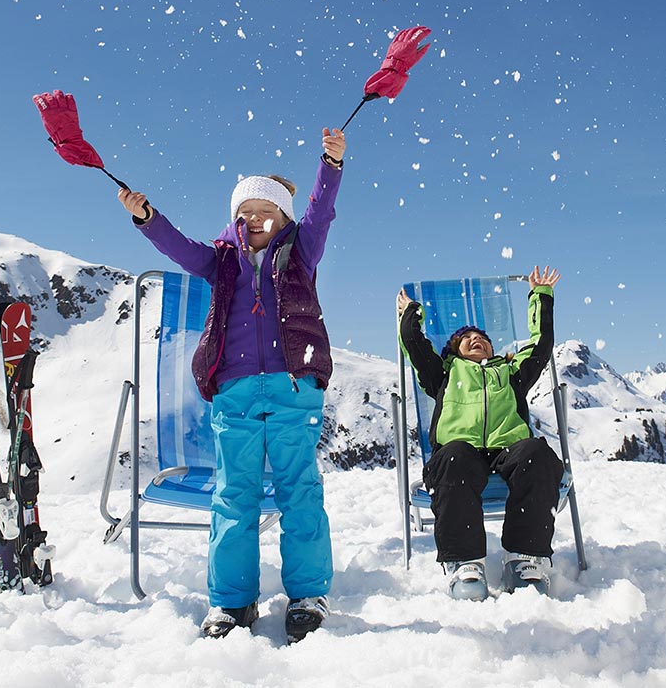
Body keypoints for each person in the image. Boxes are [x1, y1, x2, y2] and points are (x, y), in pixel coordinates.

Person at [116, 127, 346, 641]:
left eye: (264, 212)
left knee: (298, 491)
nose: (253, 220)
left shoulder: (302, 251)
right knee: (233, 495)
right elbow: (178, 248)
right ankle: (232, 601)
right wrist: (146, 218)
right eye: (244, 213)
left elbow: (321, 213)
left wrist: (329, 168)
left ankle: (308, 593)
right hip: (237, 390)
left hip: (292, 386)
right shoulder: (220, 260)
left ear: (284, 218)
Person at [396, 266, 565, 600]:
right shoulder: (443, 375)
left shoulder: (511, 372)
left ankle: (524, 558)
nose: (476, 340)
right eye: (466, 339)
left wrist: (540, 297)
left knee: (537, 454)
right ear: (454, 351)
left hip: (508, 448)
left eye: (483, 339)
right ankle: (464, 563)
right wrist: (410, 314)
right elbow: (415, 347)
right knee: (453, 459)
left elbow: (542, 345)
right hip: (461, 450)